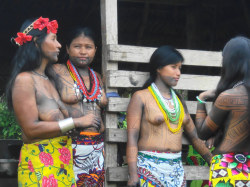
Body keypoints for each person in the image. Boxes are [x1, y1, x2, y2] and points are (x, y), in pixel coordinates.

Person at [6, 17, 97, 187]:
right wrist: (76, 121)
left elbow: (58, 123)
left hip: (62, 163)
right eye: (54, 39)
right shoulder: (24, 80)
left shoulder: (48, 80)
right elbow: (31, 129)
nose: (59, 45)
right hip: (39, 167)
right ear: (35, 43)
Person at [126, 45, 213, 187]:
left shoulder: (179, 102)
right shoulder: (141, 97)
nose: (178, 72)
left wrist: (212, 160)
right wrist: (133, 175)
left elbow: (195, 138)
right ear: (158, 68)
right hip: (149, 167)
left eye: (180, 68)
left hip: (176, 171)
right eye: (173, 67)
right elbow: (132, 139)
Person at [48, 27, 108, 186]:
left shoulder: (99, 77)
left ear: (95, 50)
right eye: (77, 46)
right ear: (67, 48)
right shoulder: (56, 71)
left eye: (88, 47)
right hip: (68, 146)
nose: (83, 51)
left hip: (97, 149)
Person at [195, 36, 250, 186]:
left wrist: (202, 99)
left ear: (230, 62)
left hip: (227, 170)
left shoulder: (229, 97)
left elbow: (202, 132)